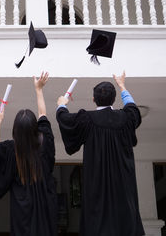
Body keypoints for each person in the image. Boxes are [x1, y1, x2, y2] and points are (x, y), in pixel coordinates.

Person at [56, 71, 144, 236]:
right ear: (114, 99)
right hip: (123, 188)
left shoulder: (86, 119)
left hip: (96, 186)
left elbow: (65, 119)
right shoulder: (125, 118)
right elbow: (132, 108)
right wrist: (122, 85)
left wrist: (62, 104)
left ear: (94, 99)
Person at [0, 72, 57, 236]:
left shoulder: (10, 149)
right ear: (36, 127)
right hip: (45, 206)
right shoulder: (45, 140)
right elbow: (43, 114)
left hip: (22, 210)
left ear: (15, 130)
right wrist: (39, 89)